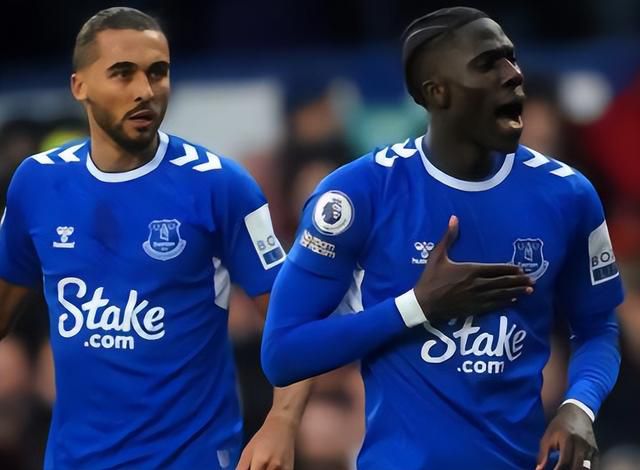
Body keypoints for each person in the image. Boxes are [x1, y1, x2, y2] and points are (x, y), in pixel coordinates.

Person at [261, 7, 623, 470]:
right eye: (488, 64)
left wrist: (579, 406)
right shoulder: (359, 194)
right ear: (438, 92)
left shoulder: (568, 195)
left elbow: (598, 328)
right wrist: (417, 306)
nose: (514, 76)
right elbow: (283, 353)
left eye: (512, 59)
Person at [0, 7, 310, 469]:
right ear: (79, 86)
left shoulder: (221, 186)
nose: (145, 91)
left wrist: (281, 423)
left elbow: (297, 320)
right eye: (122, 74)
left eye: (157, 73)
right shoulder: (36, 183)